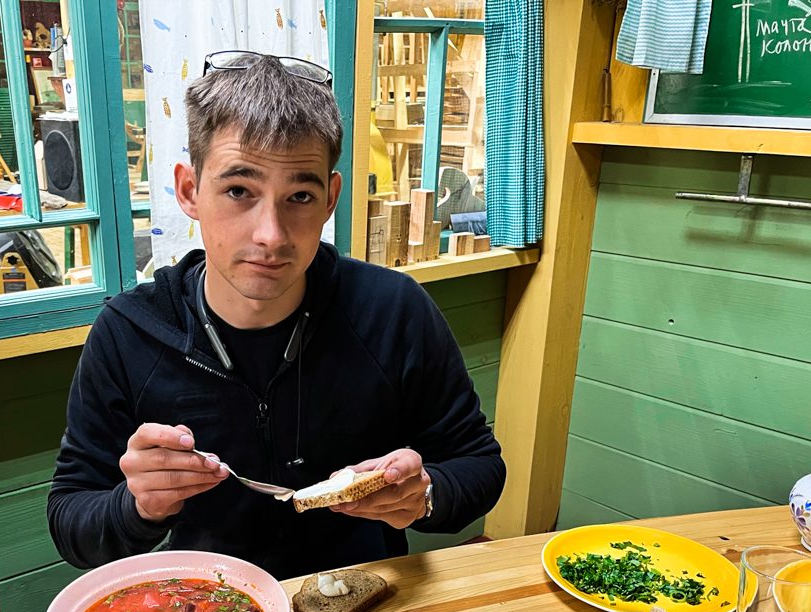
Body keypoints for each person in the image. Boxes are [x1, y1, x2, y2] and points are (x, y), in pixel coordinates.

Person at [48, 52, 504, 580]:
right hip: (211, 605)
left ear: (330, 199)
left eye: (300, 196)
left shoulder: (393, 310)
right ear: (190, 191)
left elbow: (479, 465)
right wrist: (139, 506)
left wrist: (425, 494)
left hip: (365, 599)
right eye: (238, 190)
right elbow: (70, 517)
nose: (271, 234)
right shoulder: (129, 332)